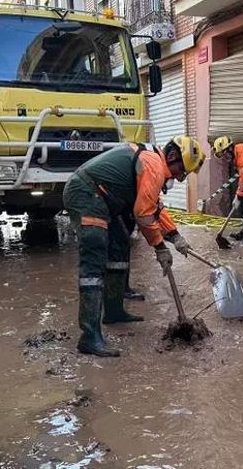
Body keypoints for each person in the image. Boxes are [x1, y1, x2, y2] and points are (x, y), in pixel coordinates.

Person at [63, 136, 205, 357]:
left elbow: (155, 208)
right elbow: (144, 214)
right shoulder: (154, 166)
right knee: (94, 259)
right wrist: (160, 247)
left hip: (104, 198)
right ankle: (89, 337)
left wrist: (175, 237)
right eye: (181, 171)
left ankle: (114, 312)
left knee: (120, 246)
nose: (179, 178)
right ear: (171, 156)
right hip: (87, 193)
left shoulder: (154, 163)